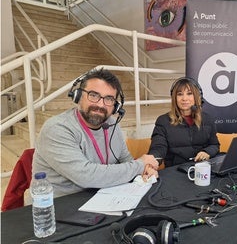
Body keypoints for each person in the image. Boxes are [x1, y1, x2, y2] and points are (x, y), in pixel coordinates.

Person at [32, 68, 159, 198]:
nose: (100, 104)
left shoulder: (112, 124)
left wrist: (144, 170)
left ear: (116, 107)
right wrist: (139, 165)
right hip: (56, 207)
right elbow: (86, 176)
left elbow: (125, 159)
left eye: (109, 99)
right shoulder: (57, 128)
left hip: (102, 197)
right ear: (78, 96)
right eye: (93, 95)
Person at [148, 77, 219, 167]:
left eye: (189, 94)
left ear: (197, 96)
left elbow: (214, 144)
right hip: (177, 170)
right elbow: (158, 148)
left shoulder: (207, 119)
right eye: (180, 94)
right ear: (174, 98)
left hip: (202, 168)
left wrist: (207, 152)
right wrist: (152, 163)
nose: (184, 98)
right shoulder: (163, 121)